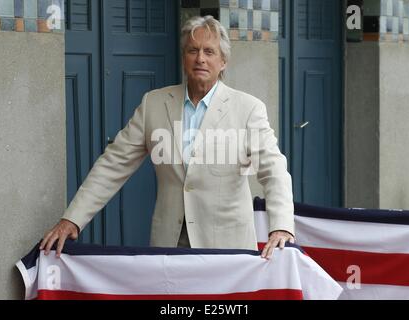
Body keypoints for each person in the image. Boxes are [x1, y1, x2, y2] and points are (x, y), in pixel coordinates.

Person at [40, 15, 295, 259]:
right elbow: (113, 163)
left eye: (209, 52)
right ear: (184, 57)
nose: (200, 59)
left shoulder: (248, 108)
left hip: (227, 247)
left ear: (223, 61)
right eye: (193, 50)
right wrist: (73, 218)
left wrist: (281, 226)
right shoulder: (154, 103)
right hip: (169, 245)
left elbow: (274, 170)